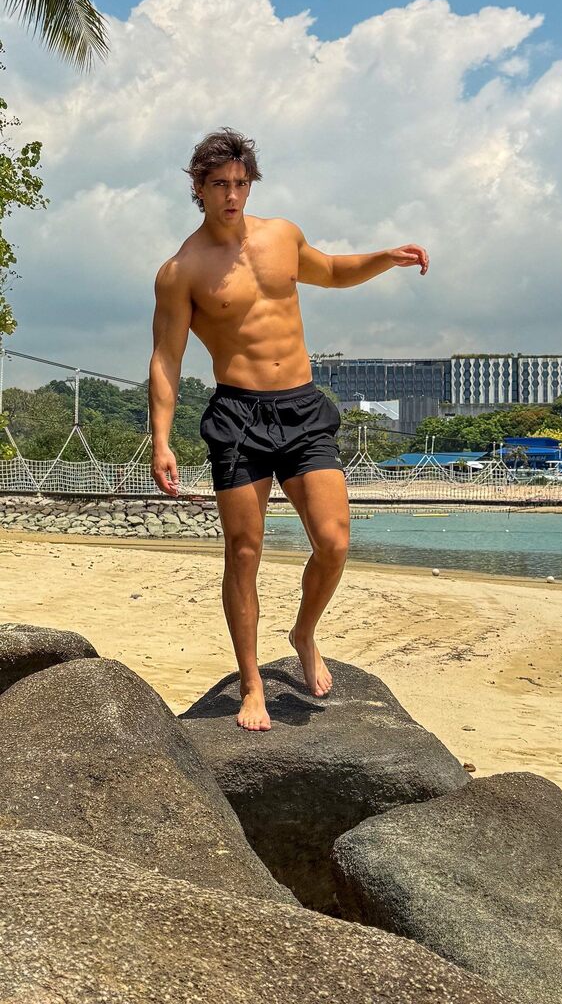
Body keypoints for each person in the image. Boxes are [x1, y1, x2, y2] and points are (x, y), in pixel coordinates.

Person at [148, 128, 428, 731]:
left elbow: (332, 271)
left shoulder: (282, 235)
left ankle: (304, 632)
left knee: (334, 541)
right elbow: (167, 358)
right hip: (238, 414)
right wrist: (161, 439)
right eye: (219, 185)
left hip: (302, 408)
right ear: (198, 187)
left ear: (251, 184)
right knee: (244, 551)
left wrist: (384, 258)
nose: (231, 195)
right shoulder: (181, 270)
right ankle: (252, 683)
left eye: (240, 183)